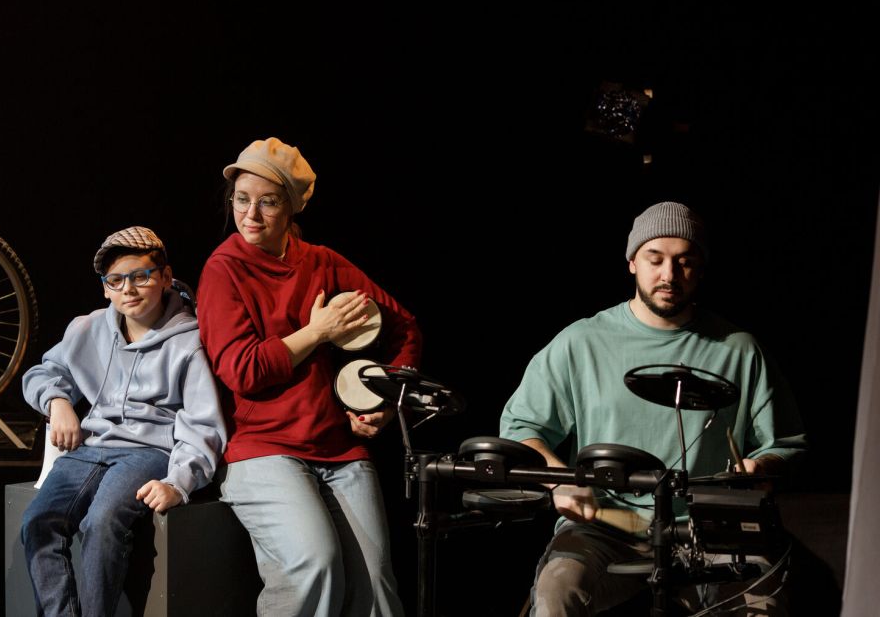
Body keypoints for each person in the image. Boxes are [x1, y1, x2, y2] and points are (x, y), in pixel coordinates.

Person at [499, 201, 808, 616]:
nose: (669, 274)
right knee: (557, 591)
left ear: (701, 268)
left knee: (761, 605)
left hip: (710, 528)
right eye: (655, 258)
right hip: (605, 527)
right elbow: (520, 428)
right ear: (632, 262)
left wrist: (761, 469)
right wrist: (560, 482)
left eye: (685, 261)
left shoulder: (739, 349)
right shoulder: (581, 343)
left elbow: (784, 445)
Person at [196, 136, 422, 617]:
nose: (251, 214)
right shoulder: (224, 269)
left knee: (377, 586)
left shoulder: (321, 262)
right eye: (241, 199)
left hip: (338, 447)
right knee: (314, 564)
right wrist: (317, 332)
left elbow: (404, 327)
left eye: (268, 202)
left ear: (293, 208)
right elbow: (243, 370)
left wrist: (384, 401)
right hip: (263, 448)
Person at [21, 226, 227, 617]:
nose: (128, 289)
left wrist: (178, 483)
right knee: (38, 521)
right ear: (105, 288)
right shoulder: (88, 328)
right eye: (115, 280)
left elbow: (203, 426)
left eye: (140, 276)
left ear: (165, 277)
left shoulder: (189, 342)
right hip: (92, 449)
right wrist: (58, 402)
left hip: (149, 451)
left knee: (102, 522)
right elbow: (42, 373)